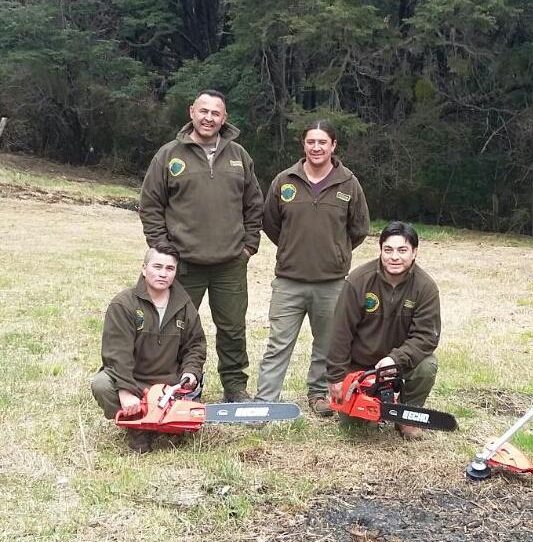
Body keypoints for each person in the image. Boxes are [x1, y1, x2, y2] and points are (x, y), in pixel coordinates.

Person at [140, 89, 263, 403]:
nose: (209, 118)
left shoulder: (239, 156)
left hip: (229, 264)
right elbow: (151, 204)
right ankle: (180, 387)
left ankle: (235, 388)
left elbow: (254, 205)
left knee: (233, 329)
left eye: (216, 113)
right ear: (191, 111)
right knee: (175, 328)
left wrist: (248, 245)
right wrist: (163, 249)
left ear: (224, 118)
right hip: (184, 264)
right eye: (203, 111)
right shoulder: (169, 155)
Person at [256, 120, 370, 415]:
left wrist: (335, 252)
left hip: (331, 283)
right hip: (289, 281)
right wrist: (292, 247)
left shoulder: (348, 183)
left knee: (327, 344)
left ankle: (319, 394)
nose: (316, 147)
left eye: (323, 142)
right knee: (278, 344)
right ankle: (266, 400)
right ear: (303, 145)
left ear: (333, 146)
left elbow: (358, 229)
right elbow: (270, 223)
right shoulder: (284, 181)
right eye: (311, 142)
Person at [326, 221, 440, 440]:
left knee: (428, 365)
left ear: (414, 252)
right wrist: (337, 376)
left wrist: (395, 359)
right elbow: (340, 332)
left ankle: (407, 416)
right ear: (381, 250)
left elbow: (426, 337)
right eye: (388, 250)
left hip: (398, 363)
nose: (394, 257)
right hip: (360, 366)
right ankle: (370, 406)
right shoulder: (358, 281)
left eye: (402, 250)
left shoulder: (426, 287)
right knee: (354, 427)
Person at [91, 247, 206, 453]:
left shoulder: (185, 306)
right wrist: (125, 390)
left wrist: (191, 372)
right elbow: (118, 354)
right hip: (135, 382)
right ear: (144, 269)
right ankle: (138, 427)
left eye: (170, 268)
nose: (163, 273)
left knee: (183, 423)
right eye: (157, 266)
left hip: (170, 386)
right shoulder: (123, 304)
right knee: (101, 384)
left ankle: (166, 424)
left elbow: (195, 345)